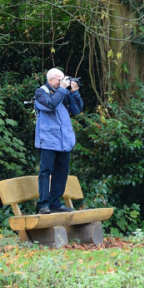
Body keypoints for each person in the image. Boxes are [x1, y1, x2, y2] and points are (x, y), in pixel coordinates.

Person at [34, 68, 84, 215]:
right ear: (50, 80)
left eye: (64, 79)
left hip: (64, 142)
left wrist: (74, 92)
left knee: (61, 173)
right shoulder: (41, 92)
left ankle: (55, 203)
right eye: (59, 79)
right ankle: (43, 205)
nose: (62, 82)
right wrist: (62, 89)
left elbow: (76, 111)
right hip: (48, 141)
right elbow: (51, 105)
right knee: (45, 172)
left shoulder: (64, 92)